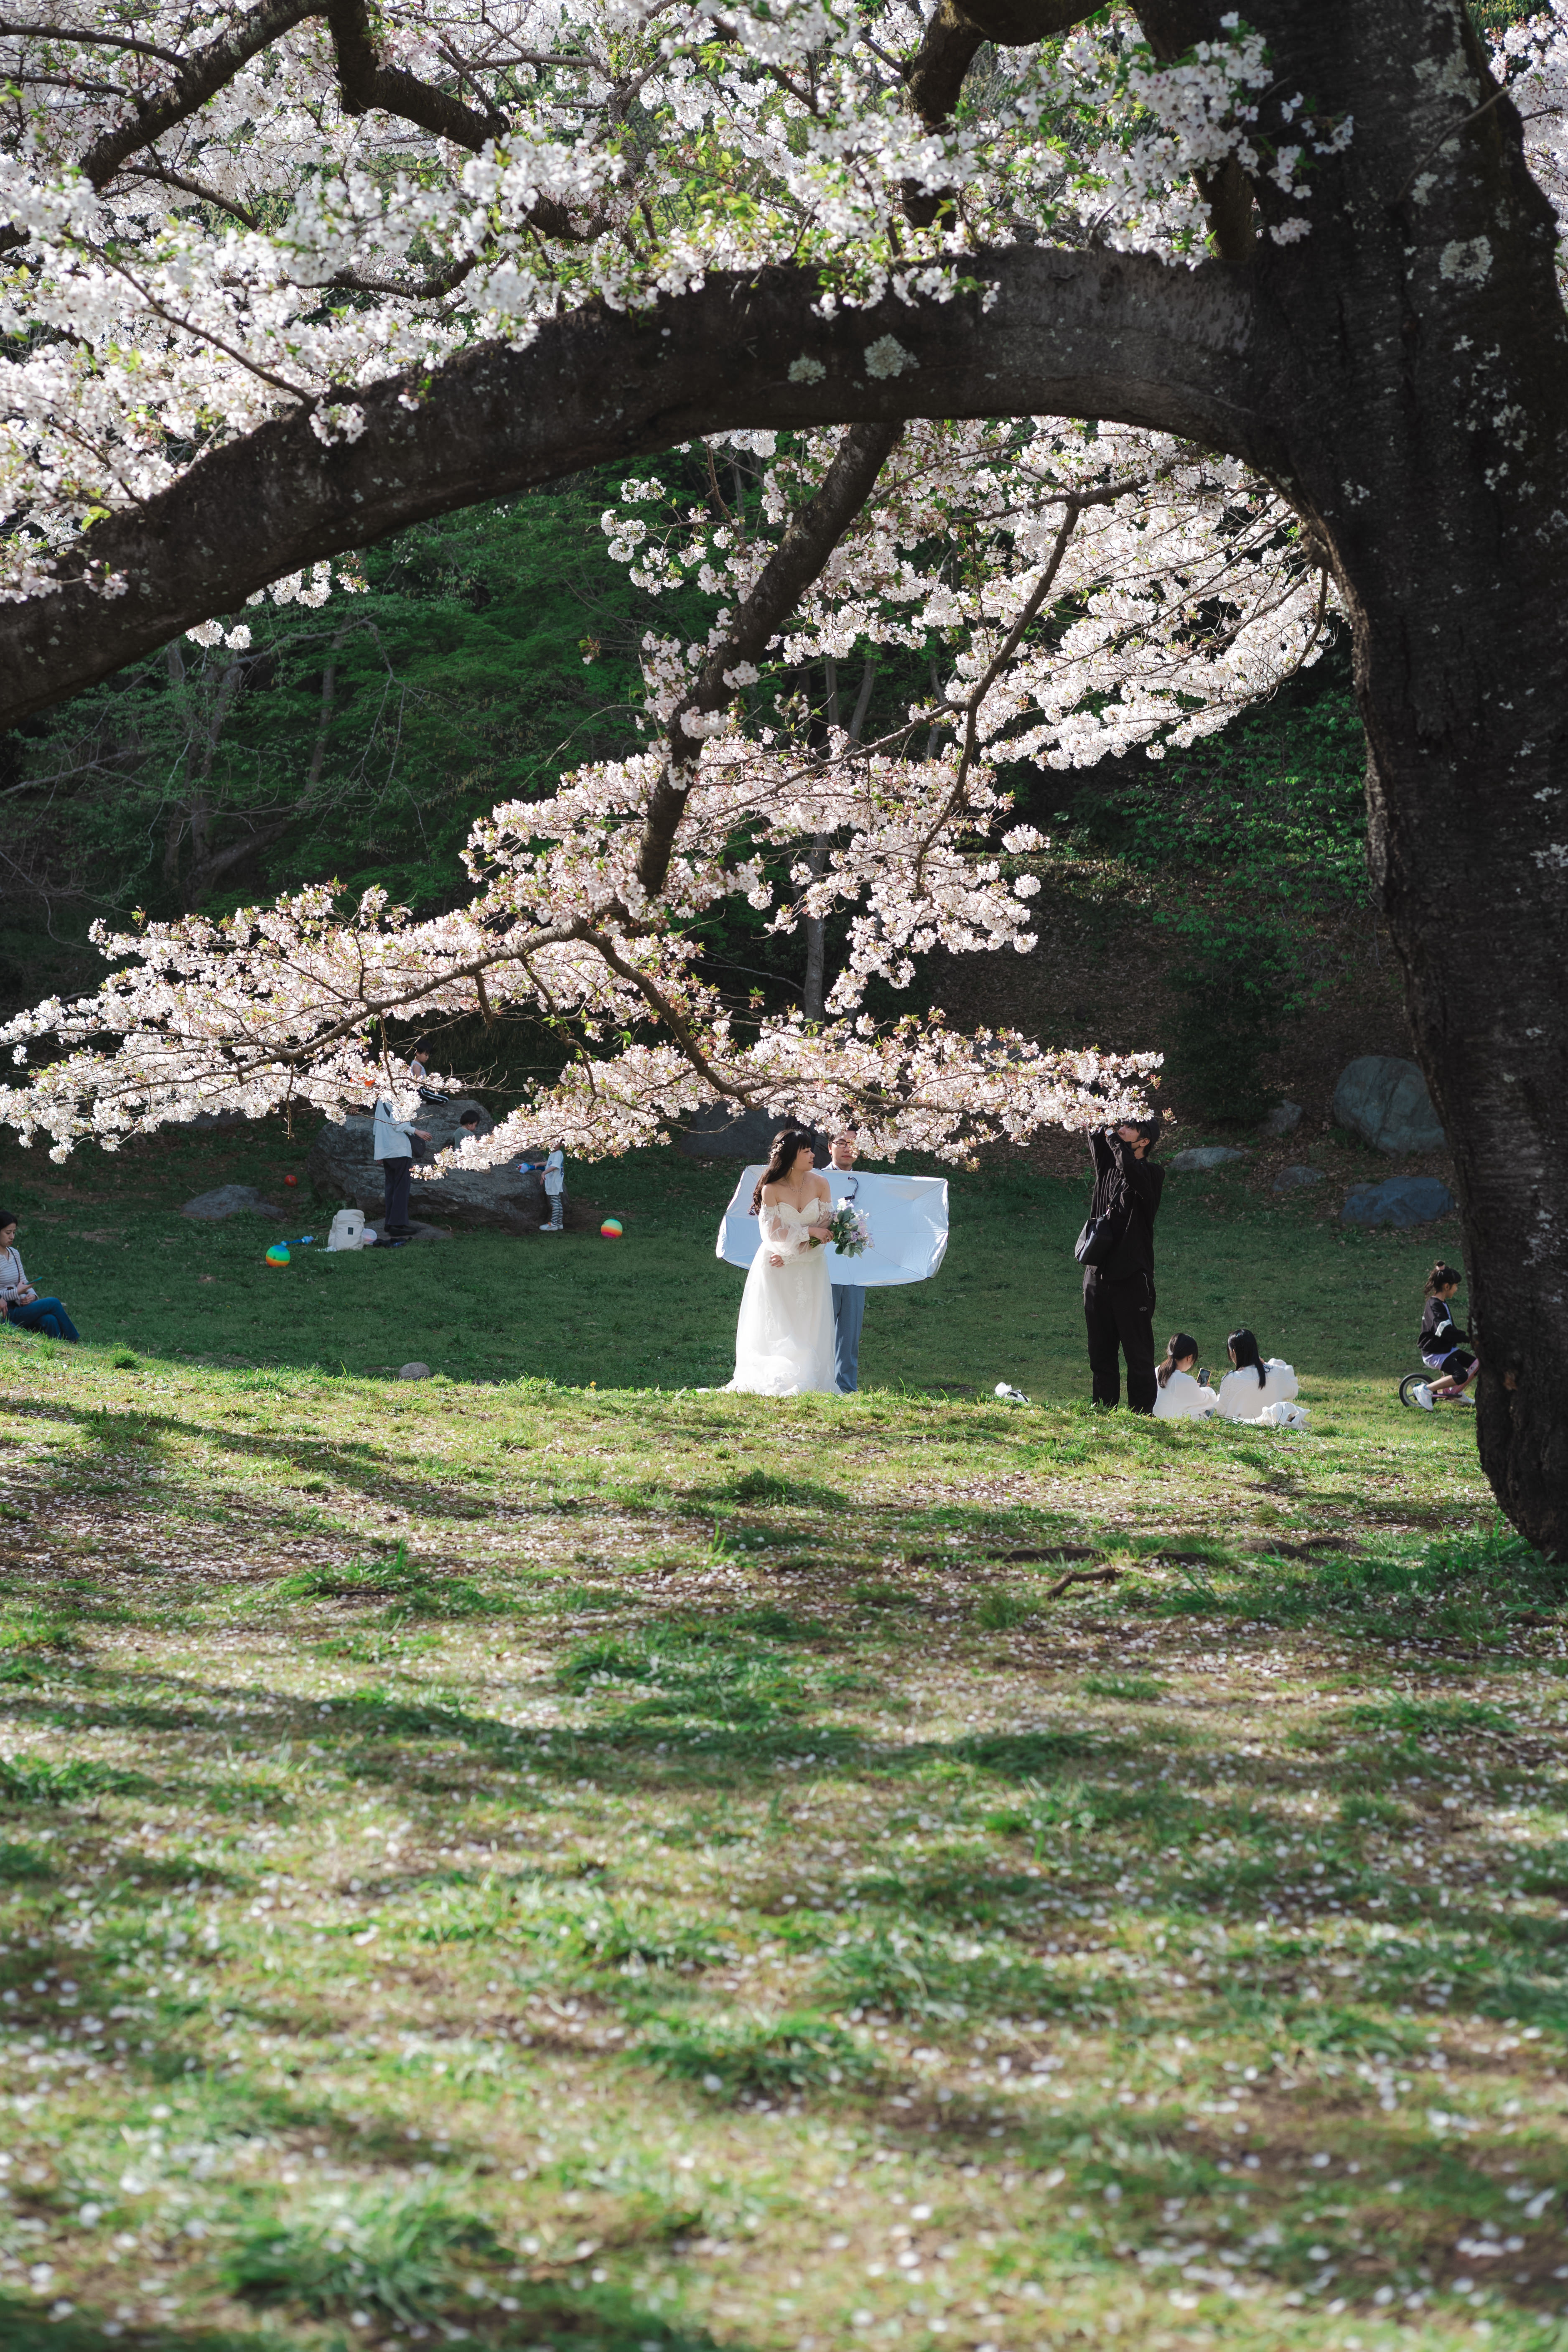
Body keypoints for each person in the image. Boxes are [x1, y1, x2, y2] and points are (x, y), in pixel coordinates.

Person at [727, 1125, 837, 1395]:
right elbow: (773, 1234)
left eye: (811, 1150)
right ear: (790, 1155)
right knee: (778, 1322)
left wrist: (796, 1251)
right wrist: (809, 1232)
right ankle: (779, 1375)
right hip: (774, 1263)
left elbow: (826, 1230)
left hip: (810, 1263)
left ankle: (810, 1376)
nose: (813, 1155)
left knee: (809, 1321)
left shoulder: (821, 1184)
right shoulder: (771, 1189)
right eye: (806, 1151)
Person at [1082, 1120, 1164, 1412]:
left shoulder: (1152, 1174)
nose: (1120, 1130)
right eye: (1120, 1124)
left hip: (1131, 1278)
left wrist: (1112, 1138)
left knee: (1138, 1355)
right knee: (1100, 1353)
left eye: (1130, 1127)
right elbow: (1094, 1128)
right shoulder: (1107, 1166)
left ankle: (1141, 1416)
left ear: (1144, 1141)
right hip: (1097, 1274)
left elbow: (1130, 1168)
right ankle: (1103, 1411)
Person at [825, 1127, 868, 1393]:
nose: (848, 1148)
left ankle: (847, 1388)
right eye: (841, 1143)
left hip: (854, 1266)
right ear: (830, 1147)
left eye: (854, 1144)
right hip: (822, 1263)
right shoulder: (815, 1179)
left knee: (850, 1332)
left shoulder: (868, 1184)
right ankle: (818, 1382)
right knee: (821, 1326)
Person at [366, 1072, 430, 1245]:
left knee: (391, 1187)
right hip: (399, 1150)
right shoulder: (397, 1097)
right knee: (401, 1188)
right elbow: (399, 1125)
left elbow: (377, 1128)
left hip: (387, 1151)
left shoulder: (382, 1099)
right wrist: (418, 1132)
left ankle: (390, 1222)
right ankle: (397, 1225)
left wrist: (379, 1152)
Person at [0, 1209, 79, 1341]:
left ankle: (59, 1349)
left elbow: (24, 1282)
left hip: (22, 1305)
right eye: (8, 1233)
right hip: (7, 1312)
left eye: (14, 1232)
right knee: (53, 1303)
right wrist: (17, 1292)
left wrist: (32, 1296)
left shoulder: (14, 1253)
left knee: (50, 1319)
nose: (12, 1237)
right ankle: (74, 1341)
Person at [1413, 1260, 1479, 1407]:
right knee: (1461, 1375)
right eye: (1456, 1286)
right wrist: (1468, 1338)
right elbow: (1444, 1331)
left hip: (1447, 1350)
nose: (1457, 1289)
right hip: (1435, 1353)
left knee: (1476, 1365)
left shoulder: (1441, 1303)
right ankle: (1425, 1390)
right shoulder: (1434, 1306)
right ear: (1447, 1286)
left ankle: (1456, 1392)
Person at [1215, 1327, 1300, 1421]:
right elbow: (1293, 1390)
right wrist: (1266, 1364)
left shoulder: (1231, 1379)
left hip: (1242, 1427)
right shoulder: (1276, 1373)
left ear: (1233, 1352)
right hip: (1274, 1426)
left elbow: (1222, 1412)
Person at [1151, 1332, 1218, 1419]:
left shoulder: (1156, 1371)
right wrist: (1204, 1389)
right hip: (1171, 1420)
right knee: (1207, 1410)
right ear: (1189, 1357)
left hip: (1156, 1416)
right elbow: (1210, 1401)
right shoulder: (1185, 1380)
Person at [541, 1141, 566, 1231]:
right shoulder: (554, 1153)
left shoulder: (558, 1153)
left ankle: (553, 1224)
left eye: (557, 1142)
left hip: (554, 1182)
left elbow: (554, 1166)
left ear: (561, 1144)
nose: (554, 1144)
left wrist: (544, 1173)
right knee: (557, 1202)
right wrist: (539, 1164)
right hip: (555, 1182)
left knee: (555, 1203)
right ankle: (559, 1223)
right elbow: (549, 1163)